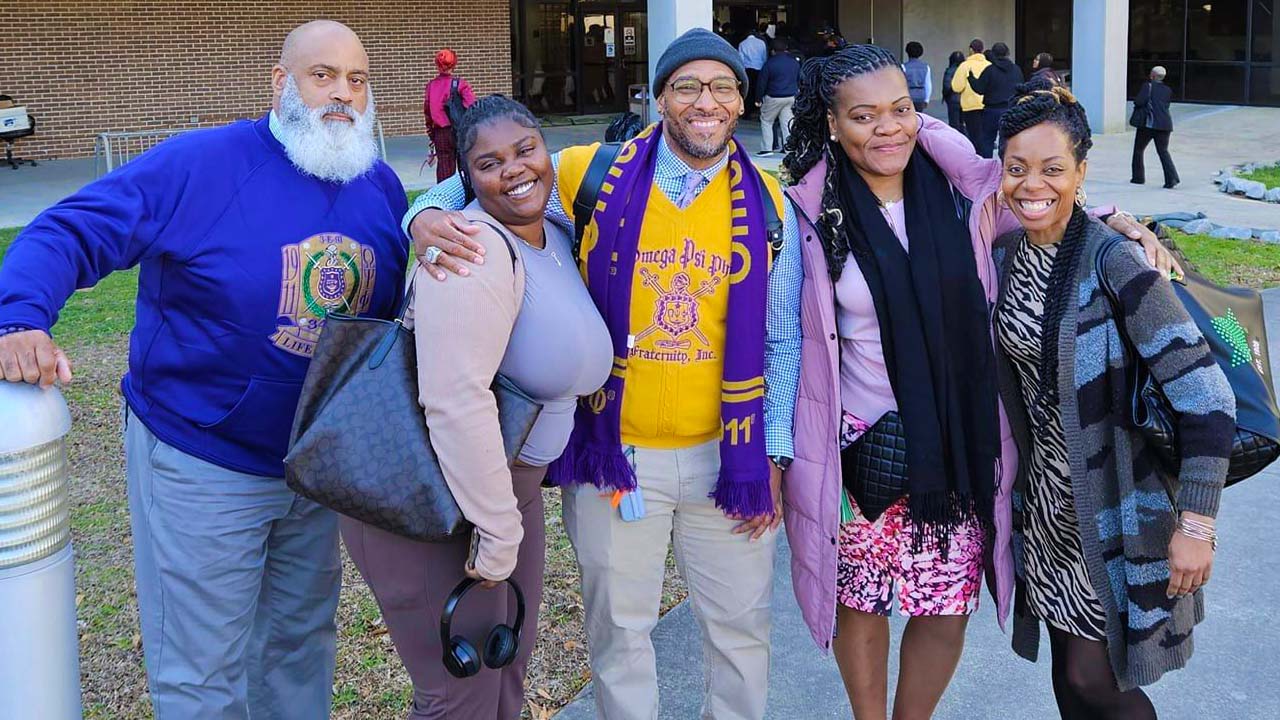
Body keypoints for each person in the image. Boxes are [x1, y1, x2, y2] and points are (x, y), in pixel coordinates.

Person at [0, 20, 409, 718]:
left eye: (357, 79)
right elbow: (72, 229)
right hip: (202, 461)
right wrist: (19, 316)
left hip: (313, 467)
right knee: (202, 670)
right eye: (322, 76)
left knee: (299, 643)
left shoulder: (378, 187)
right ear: (281, 83)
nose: (342, 94)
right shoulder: (200, 165)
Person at [772, 45, 1173, 720]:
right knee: (859, 600)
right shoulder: (809, 211)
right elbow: (785, 335)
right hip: (852, 448)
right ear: (833, 123)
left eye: (901, 110)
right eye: (864, 116)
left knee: (944, 604)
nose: (888, 128)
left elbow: (1047, 204)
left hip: (958, 445)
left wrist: (1126, 222)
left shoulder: (963, 194)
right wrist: (776, 451)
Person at [407, 28, 795, 720]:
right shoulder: (593, 171)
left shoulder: (768, 201)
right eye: (687, 86)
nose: (705, 102)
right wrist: (423, 216)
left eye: (722, 86)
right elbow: (484, 175)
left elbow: (782, 337)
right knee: (620, 637)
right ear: (659, 100)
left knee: (742, 635)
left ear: (741, 99)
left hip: (726, 459)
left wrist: (774, 450)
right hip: (618, 458)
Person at [341, 95, 612, 720]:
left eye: (525, 150)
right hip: (443, 497)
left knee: (503, 676)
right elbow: (454, 400)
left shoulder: (557, 231)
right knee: (457, 697)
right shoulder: (471, 251)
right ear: (466, 177)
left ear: (549, 151)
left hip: (509, 489)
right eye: (488, 163)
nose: (514, 170)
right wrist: (497, 530)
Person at [992, 82, 1231, 718]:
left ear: (1081, 172)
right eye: (1016, 168)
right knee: (1070, 681)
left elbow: (1206, 396)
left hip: (1117, 511)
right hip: (1046, 510)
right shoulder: (1007, 252)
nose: (1031, 184)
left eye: (1052, 169)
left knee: (1099, 681)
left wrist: (1198, 525)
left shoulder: (1117, 264)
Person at [424, 48, 477, 183]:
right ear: (454, 64)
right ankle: (467, 195)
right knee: (465, 167)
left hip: (441, 132)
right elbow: (472, 107)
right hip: (460, 131)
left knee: (444, 170)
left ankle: (444, 198)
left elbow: (428, 113)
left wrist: (432, 135)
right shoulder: (460, 84)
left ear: (437, 65)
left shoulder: (431, 86)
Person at [967, 42, 1023, 158]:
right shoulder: (1016, 69)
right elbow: (1021, 88)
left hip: (991, 110)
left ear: (993, 54)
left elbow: (979, 89)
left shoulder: (990, 70)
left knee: (987, 140)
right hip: (1011, 110)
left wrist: (971, 78)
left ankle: (986, 169)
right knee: (1008, 141)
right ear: (1008, 53)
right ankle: (1007, 167)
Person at [1130, 65, 1179, 189]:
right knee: (1163, 152)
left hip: (1148, 124)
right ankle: (1171, 179)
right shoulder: (1168, 90)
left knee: (1138, 150)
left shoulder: (1148, 86)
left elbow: (1140, 101)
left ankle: (1138, 178)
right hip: (1165, 125)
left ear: (1152, 76)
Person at [756, 36, 802, 156]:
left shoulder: (769, 63)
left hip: (773, 96)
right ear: (786, 49)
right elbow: (800, 79)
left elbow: (762, 82)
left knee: (767, 121)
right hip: (791, 96)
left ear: (772, 50)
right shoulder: (794, 62)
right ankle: (788, 148)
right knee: (787, 123)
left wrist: (758, 98)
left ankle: (767, 149)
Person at [951, 39, 990, 148]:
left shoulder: (964, 66)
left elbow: (956, 87)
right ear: (982, 50)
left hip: (970, 106)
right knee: (986, 137)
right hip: (988, 105)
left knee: (974, 137)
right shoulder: (989, 65)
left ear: (971, 50)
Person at [739, 23, 769, 113]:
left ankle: (748, 110)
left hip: (748, 70)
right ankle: (758, 108)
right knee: (759, 88)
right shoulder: (761, 42)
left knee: (749, 90)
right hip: (760, 69)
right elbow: (764, 57)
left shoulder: (742, 44)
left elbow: (741, 59)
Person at [903, 41, 932, 112]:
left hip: (908, 95)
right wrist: (927, 99)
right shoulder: (926, 67)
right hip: (921, 96)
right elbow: (928, 84)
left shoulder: (904, 67)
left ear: (907, 52)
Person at [942, 50, 966, 132]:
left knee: (954, 124)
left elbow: (947, 86)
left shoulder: (949, 71)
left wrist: (945, 96)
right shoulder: (966, 70)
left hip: (953, 100)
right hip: (965, 100)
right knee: (962, 123)